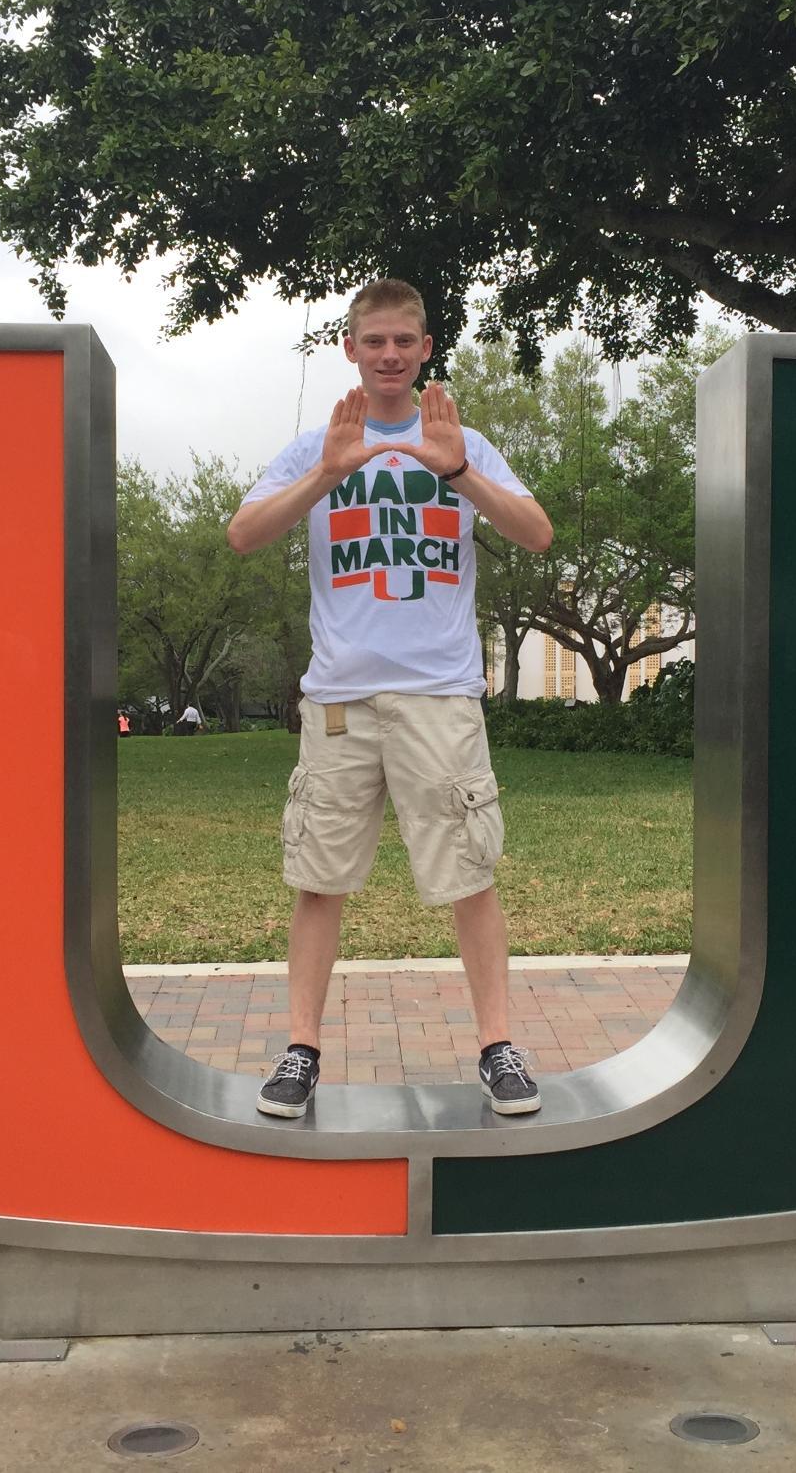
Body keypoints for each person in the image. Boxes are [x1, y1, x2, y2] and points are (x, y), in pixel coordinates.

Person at [226, 278, 555, 1120]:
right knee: (319, 880)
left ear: (425, 348)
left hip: (440, 695)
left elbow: (536, 532)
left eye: (404, 341)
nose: (389, 355)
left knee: (470, 877)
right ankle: (300, 1051)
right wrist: (327, 476)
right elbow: (244, 534)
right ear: (350, 349)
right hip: (338, 696)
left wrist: (460, 473)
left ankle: (498, 1048)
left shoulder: (459, 439)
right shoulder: (317, 446)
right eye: (374, 341)